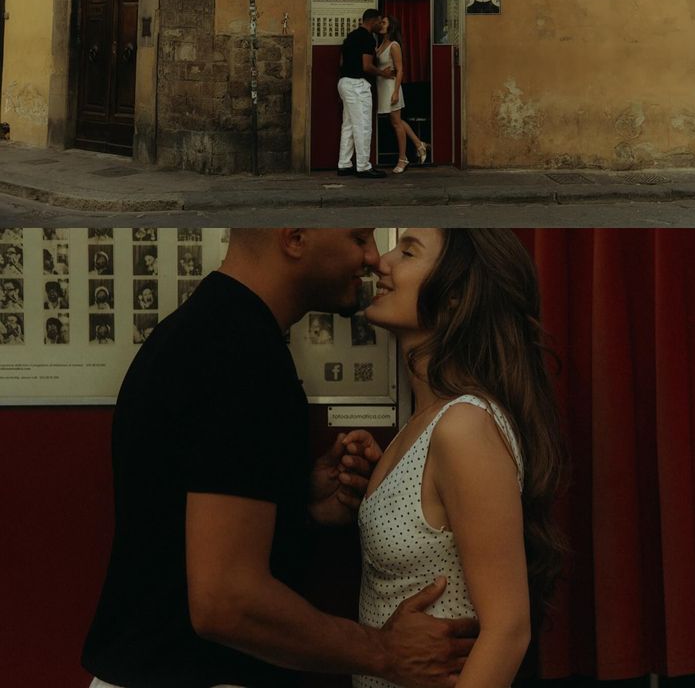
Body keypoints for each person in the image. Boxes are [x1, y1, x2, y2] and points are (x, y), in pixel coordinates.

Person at [83, 228, 477, 688]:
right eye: (358, 237)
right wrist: (386, 651)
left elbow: (172, 524)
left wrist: (294, 503)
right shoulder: (241, 354)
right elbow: (226, 602)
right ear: (293, 238)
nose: (373, 257)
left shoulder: (204, 331)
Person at [349, 228, 566, 688]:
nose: (381, 261)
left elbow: (508, 631)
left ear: (453, 298)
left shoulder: (464, 426)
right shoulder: (424, 423)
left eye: (407, 252)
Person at [337, 9, 393, 179]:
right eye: (379, 21)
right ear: (373, 20)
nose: (380, 24)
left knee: (348, 125)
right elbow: (367, 66)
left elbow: (341, 61)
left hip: (344, 82)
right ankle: (363, 166)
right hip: (357, 84)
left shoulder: (351, 36)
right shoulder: (367, 38)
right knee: (362, 125)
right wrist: (383, 73)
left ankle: (344, 164)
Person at [375, 15, 430, 174]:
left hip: (391, 86)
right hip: (383, 86)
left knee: (396, 123)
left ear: (390, 26)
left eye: (384, 23)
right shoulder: (381, 43)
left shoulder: (394, 45)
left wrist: (395, 92)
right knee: (396, 121)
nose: (381, 24)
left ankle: (402, 158)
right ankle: (419, 144)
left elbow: (400, 70)